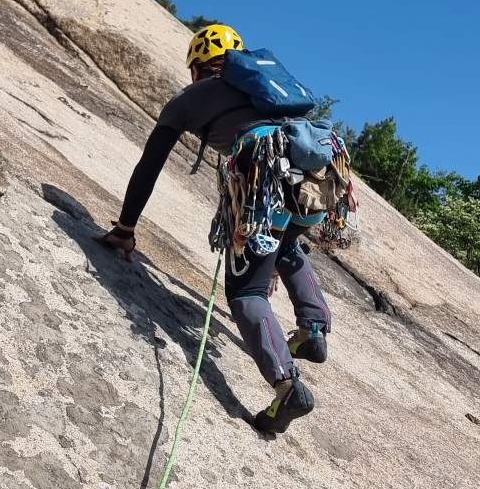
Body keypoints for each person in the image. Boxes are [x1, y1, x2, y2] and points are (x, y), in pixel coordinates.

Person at [96, 24, 331, 438]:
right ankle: (312, 328)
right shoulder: (270, 89)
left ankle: (286, 384)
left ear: (196, 69)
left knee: (246, 293)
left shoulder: (189, 98)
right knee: (286, 246)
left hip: (266, 181)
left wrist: (126, 227)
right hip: (317, 180)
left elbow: (149, 166)